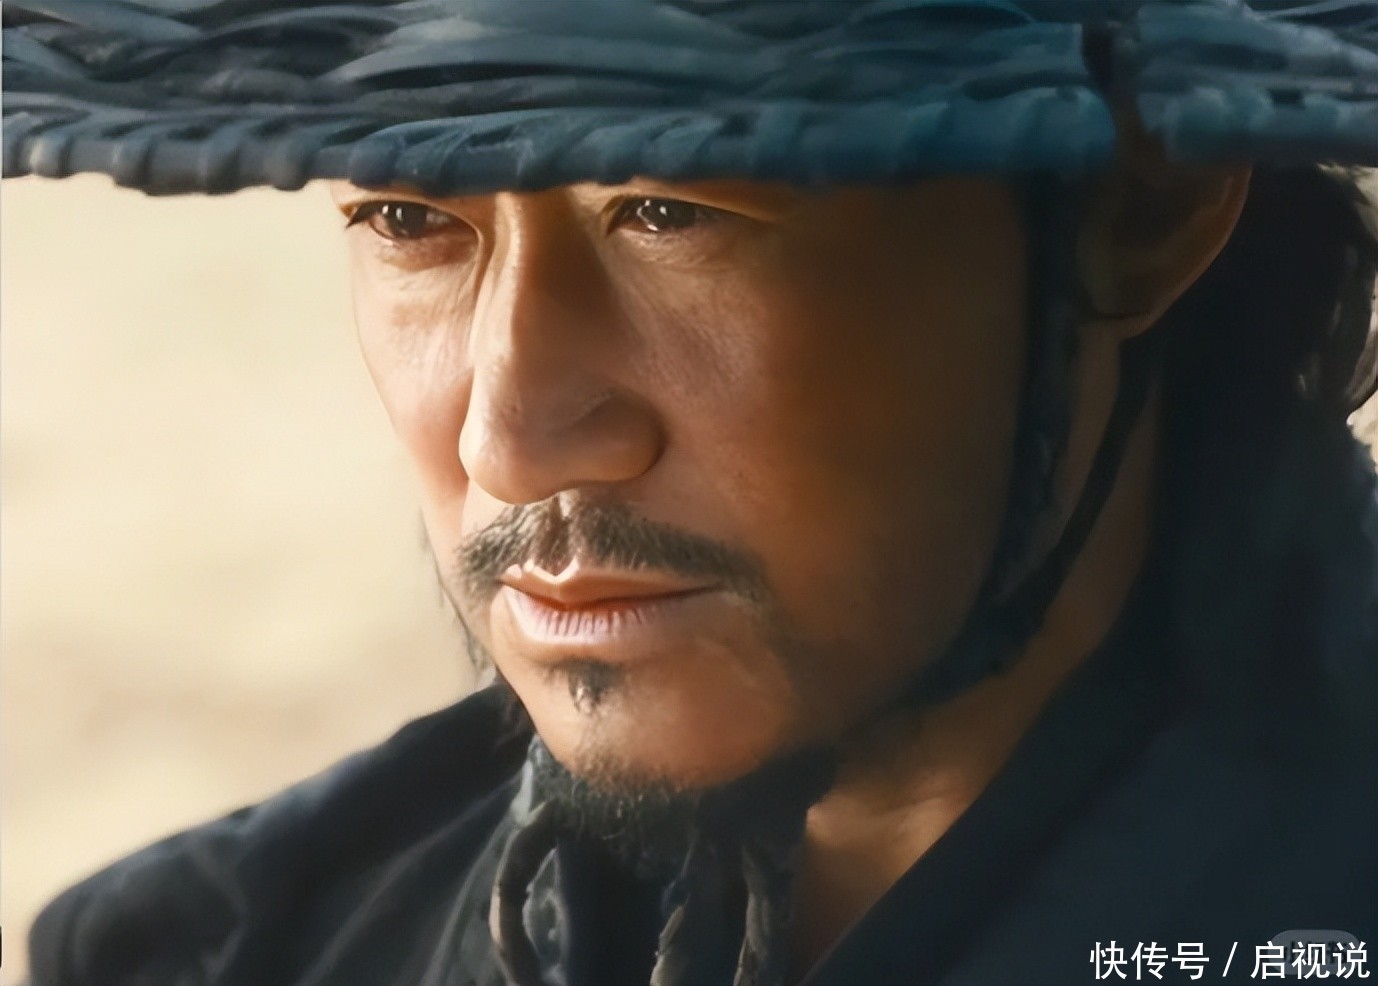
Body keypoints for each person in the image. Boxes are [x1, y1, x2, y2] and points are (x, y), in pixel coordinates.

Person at [5, 1, 1377, 984]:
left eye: (671, 212)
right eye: (412, 222)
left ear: (1134, 212)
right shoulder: (232, 945)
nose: (509, 438)